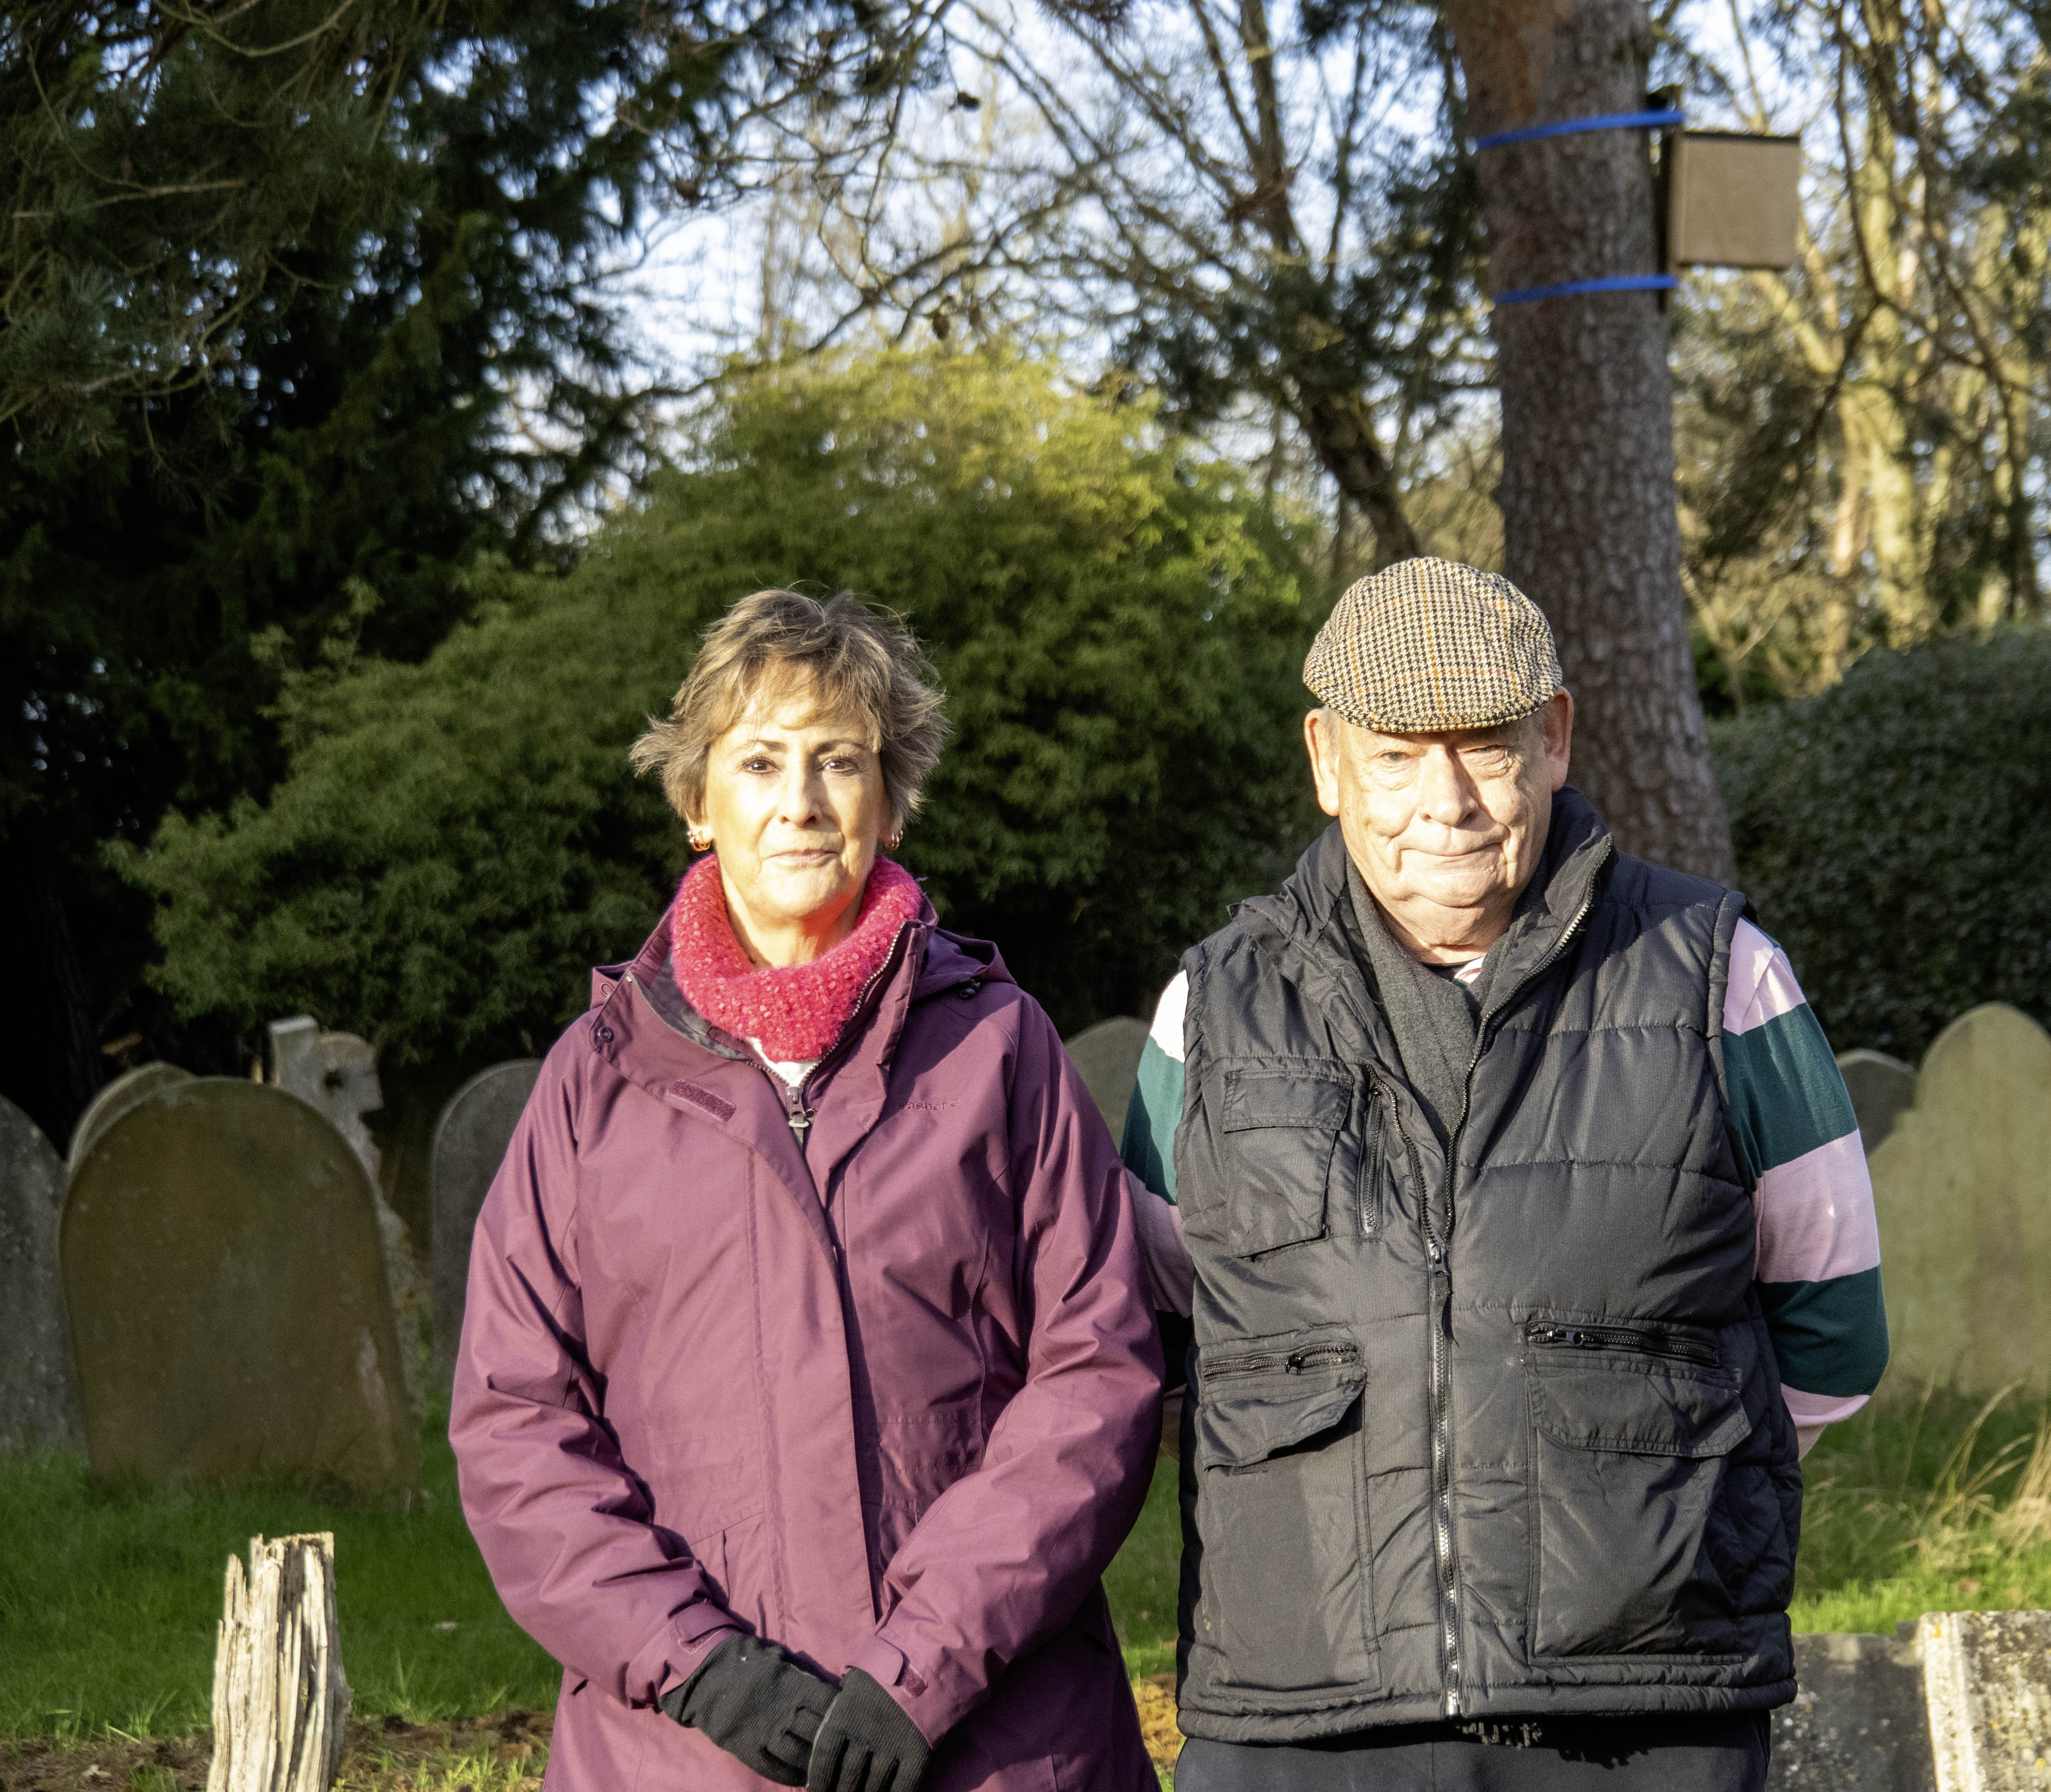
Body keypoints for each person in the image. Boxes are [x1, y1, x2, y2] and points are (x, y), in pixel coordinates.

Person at [1120, 559, 1889, 1791]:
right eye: (1395, 757)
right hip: (1295, 1719)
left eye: (1485, 749)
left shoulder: (1723, 978)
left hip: (1641, 1716)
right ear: (1325, 759)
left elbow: (1833, 1325)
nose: (1449, 803)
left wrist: (1657, 1498)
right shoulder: (1210, 1011)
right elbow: (1152, 1333)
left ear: (1556, 739)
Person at [452, 589, 1164, 1792]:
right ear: (696, 800)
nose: (801, 802)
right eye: (762, 761)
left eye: (841, 761)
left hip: (996, 1743)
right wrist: (701, 1667)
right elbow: (517, 1428)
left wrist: (921, 1668)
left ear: (891, 797)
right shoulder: (594, 1084)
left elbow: (1097, 1375)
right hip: (683, 1753)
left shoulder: (1000, 1049)